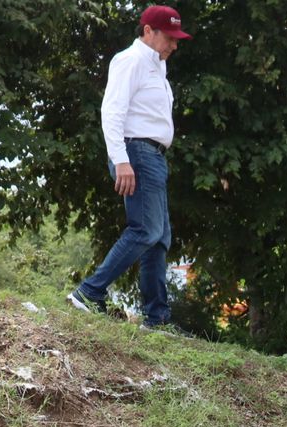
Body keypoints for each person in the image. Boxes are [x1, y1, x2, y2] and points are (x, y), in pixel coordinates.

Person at [67, 5, 191, 330]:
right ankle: (88, 293)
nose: (174, 46)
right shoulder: (131, 60)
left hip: (153, 156)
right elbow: (112, 111)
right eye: (169, 37)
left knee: (159, 237)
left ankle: (156, 318)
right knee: (145, 230)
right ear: (148, 31)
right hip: (135, 152)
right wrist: (120, 159)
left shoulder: (157, 68)